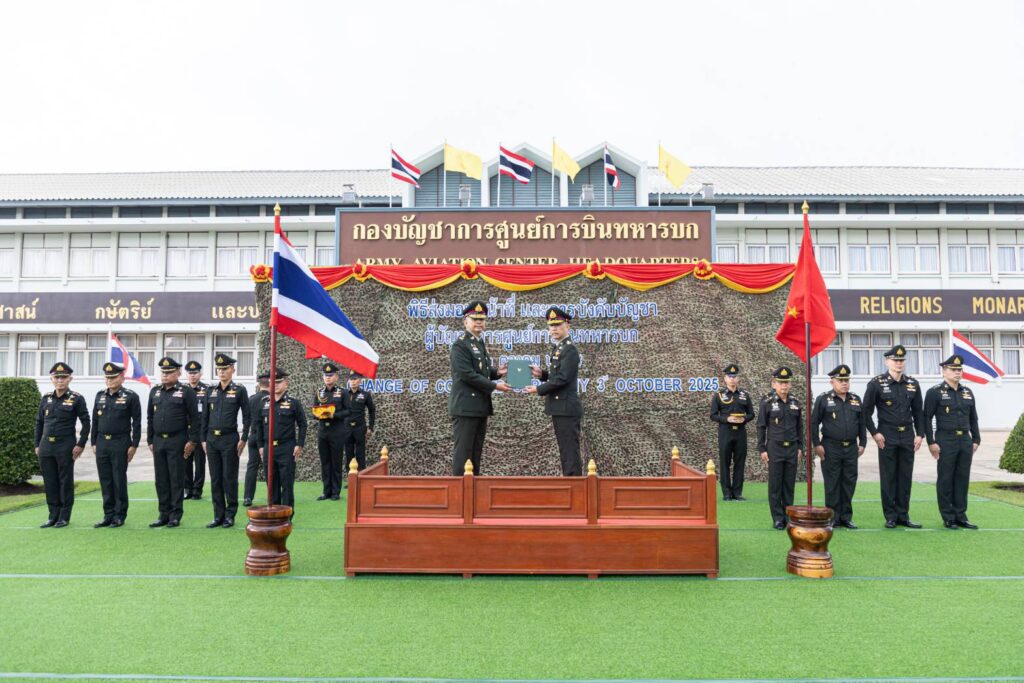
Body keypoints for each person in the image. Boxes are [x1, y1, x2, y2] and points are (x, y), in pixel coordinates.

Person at [862, 344, 926, 529]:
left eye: (901, 360)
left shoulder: (912, 384)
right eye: (895, 360)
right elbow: (865, 412)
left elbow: (918, 412)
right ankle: (890, 516)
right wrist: (875, 433)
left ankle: (903, 515)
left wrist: (920, 434)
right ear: (887, 361)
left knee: (905, 476)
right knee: (888, 476)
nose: (899, 363)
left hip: (907, 435)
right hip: (887, 435)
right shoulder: (876, 383)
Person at [448, 300, 512, 475]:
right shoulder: (460, 344)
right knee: (464, 454)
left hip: (479, 407)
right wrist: (495, 386)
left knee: (475, 453)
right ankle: (460, 489)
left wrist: (497, 372)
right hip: (465, 407)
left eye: (482, 319)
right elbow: (466, 374)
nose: (479, 322)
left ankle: (472, 488)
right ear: (465, 321)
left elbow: (481, 370)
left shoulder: (478, 342)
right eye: (474, 319)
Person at [923, 355, 981, 530]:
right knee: (946, 479)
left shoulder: (967, 392)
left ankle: (961, 515)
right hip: (946, 440)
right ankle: (948, 517)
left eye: (959, 369)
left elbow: (973, 418)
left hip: (965, 440)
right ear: (944, 371)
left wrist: (976, 439)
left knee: (962, 479)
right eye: (953, 369)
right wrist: (931, 442)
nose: (957, 372)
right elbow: (927, 418)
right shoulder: (934, 392)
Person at [524, 306, 583, 476]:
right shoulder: (558, 348)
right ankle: (570, 484)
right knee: (565, 450)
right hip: (559, 407)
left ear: (567, 325)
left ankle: (575, 486)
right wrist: (542, 375)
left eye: (558, 325)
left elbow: (563, 378)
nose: (554, 329)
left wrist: (538, 389)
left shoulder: (569, 349)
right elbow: (557, 376)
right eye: (551, 326)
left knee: (569, 451)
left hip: (566, 408)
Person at [810, 364, 866, 529]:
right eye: (840, 380)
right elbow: (814, 423)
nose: (844, 383)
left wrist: (863, 443)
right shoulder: (823, 399)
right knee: (832, 483)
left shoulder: (855, 399)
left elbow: (861, 422)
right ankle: (832, 517)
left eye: (846, 380)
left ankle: (846, 517)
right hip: (830, 447)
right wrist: (817, 444)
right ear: (832, 382)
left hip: (851, 448)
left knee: (849, 482)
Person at [34, 362, 90, 528]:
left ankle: (64, 516)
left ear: (70, 379)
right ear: (52, 379)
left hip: (65, 446)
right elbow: (39, 422)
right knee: (50, 481)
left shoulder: (76, 398)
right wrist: (37, 444)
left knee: (65, 481)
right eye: (57, 377)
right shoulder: (46, 398)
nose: (60, 380)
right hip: (46, 446)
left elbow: (86, 422)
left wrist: (81, 444)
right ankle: (53, 515)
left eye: (63, 377)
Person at [147, 357, 200, 528]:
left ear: (178, 373)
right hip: (158, 440)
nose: (165, 375)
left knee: (176, 478)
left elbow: (195, 418)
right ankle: (163, 514)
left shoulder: (186, 392)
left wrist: (192, 441)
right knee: (161, 479)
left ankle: (175, 515)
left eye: (169, 372)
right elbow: (150, 417)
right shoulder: (155, 391)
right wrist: (150, 439)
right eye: (163, 372)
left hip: (177, 440)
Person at [89, 362, 141, 528]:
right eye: (107, 377)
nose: (110, 380)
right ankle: (108, 514)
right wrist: (93, 442)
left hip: (120, 442)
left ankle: (119, 515)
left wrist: (134, 444)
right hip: (102, 442)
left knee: (118, 479)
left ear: (122, 377)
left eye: (113, 377)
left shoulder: (130, 396)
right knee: (105, 480)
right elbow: (95, 421)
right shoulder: (100, 396)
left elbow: (137, 422)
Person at [201, 353, 251, 528]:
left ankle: (230, 515)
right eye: (219, 369)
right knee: (215, 479)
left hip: (230, 439)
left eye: (225, 369)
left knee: (229, 478)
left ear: (232, 370)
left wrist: (244, 438)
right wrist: (203, 439)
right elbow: (204, 417)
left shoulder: (239, 390)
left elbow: (247, 416)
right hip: (212, 439)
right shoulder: (210, 390)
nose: (221, 372)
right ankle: (218, 515)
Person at [252, 369, 307, 512]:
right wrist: (260, 446)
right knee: (271, 485)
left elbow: (302, 424)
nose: (275, 385)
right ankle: (275, 514)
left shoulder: (293, 403)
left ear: (286, 383)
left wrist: (299, 444)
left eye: (278, 382)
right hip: (268, 448)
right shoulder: (263, 402)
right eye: (272, 382)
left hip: (286, 448)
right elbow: (258, 426)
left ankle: (287, 515)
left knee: (287, 484)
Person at [757, 366, 802, 530]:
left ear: (790, 384)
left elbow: (799, 427)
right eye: (780, 383)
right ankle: (777, 518)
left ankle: (788, 516)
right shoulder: (767, 402)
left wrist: (800, 447)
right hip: (774, 448)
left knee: (789, 485)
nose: (784, 386)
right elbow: (761, 426)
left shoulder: (795, 402)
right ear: (773, 384)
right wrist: (762, 449)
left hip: (792, 448)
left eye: (786, 383)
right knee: (775, 485)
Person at [709, 363, 754, 500]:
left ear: (738, 378)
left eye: (734, 376)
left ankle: (737, 493)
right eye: (730, 376)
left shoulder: (744, 395)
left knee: (740, 462)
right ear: (725, 379)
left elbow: (751, 414)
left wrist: (744, 419)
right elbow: (713, 415)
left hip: (740, 432)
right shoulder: (719, 395)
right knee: (725, 463)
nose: (732, 379)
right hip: (725, 432)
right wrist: (726, 419)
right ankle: (727, 493)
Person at [313, 362, 347, 499]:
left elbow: (348, 411)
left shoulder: (342, 392)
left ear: (336, 377)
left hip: (337, 431)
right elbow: (314, 411)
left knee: (336, 462)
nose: (328, 377)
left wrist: (334, 415)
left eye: (331, 375)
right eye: (325, 375)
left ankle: (335, 492)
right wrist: (318, 414)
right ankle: (326, 491)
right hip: (323, 432)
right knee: (325, 462)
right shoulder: (319, 392)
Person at [182, 360, 209, 500]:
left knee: (199, 462)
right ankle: (187, 489)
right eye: (190, 373)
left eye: (195, 373)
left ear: (200, 374)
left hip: (200, 432)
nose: (192, 375)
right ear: (187, 375)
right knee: (185, 460)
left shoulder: (207, 390)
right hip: (185, 432)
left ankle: (197, 490)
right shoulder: (182, 390)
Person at [341, 370, 376, 479]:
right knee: (348, 453)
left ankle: (361, 477)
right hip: (346, 427)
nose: (353, 381)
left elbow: (372, 410)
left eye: (355, 379)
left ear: (360, 380)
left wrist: (370, 427)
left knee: (360, 453)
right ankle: (351, 479)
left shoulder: (365, 394)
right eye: (351, 379)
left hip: (359, 427)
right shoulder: (344, 394)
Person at [242, 372, 270, 507]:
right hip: (266, 438)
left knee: (252, 467)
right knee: (269, 467)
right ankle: (272, 496)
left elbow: (246, 419)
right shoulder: (271, 399)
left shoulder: (251, 399)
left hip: (253, 436)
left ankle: (248, 497)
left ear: (259, 384)